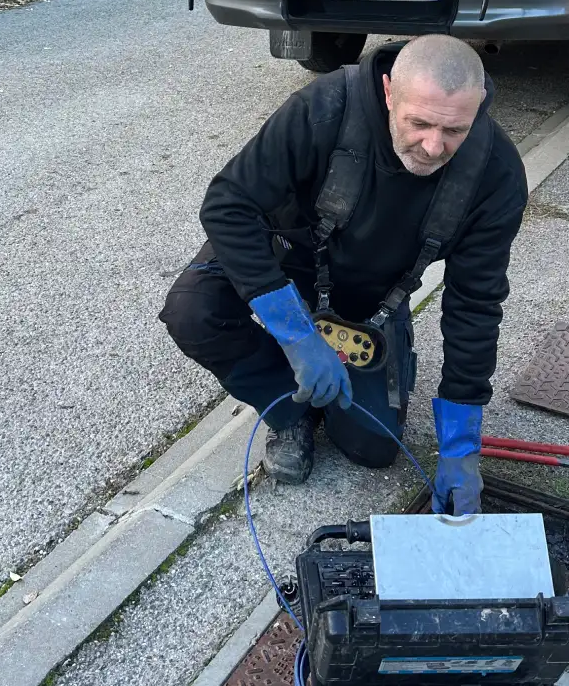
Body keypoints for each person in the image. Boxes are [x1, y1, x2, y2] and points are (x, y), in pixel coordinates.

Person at [159, 35, 527, 515]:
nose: (433, 146)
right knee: (193, 311)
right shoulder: (324, 108)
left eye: (454, 130)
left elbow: (474, 304)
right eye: (419, 123)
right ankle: (287, 408)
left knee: (373, 448)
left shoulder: (497, 175)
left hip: (371, 299)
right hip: (286, 263)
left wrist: (460, 446)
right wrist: (296, 335)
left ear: (476, 111)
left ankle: (368, 360)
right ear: (389, 92)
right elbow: (227, 205)